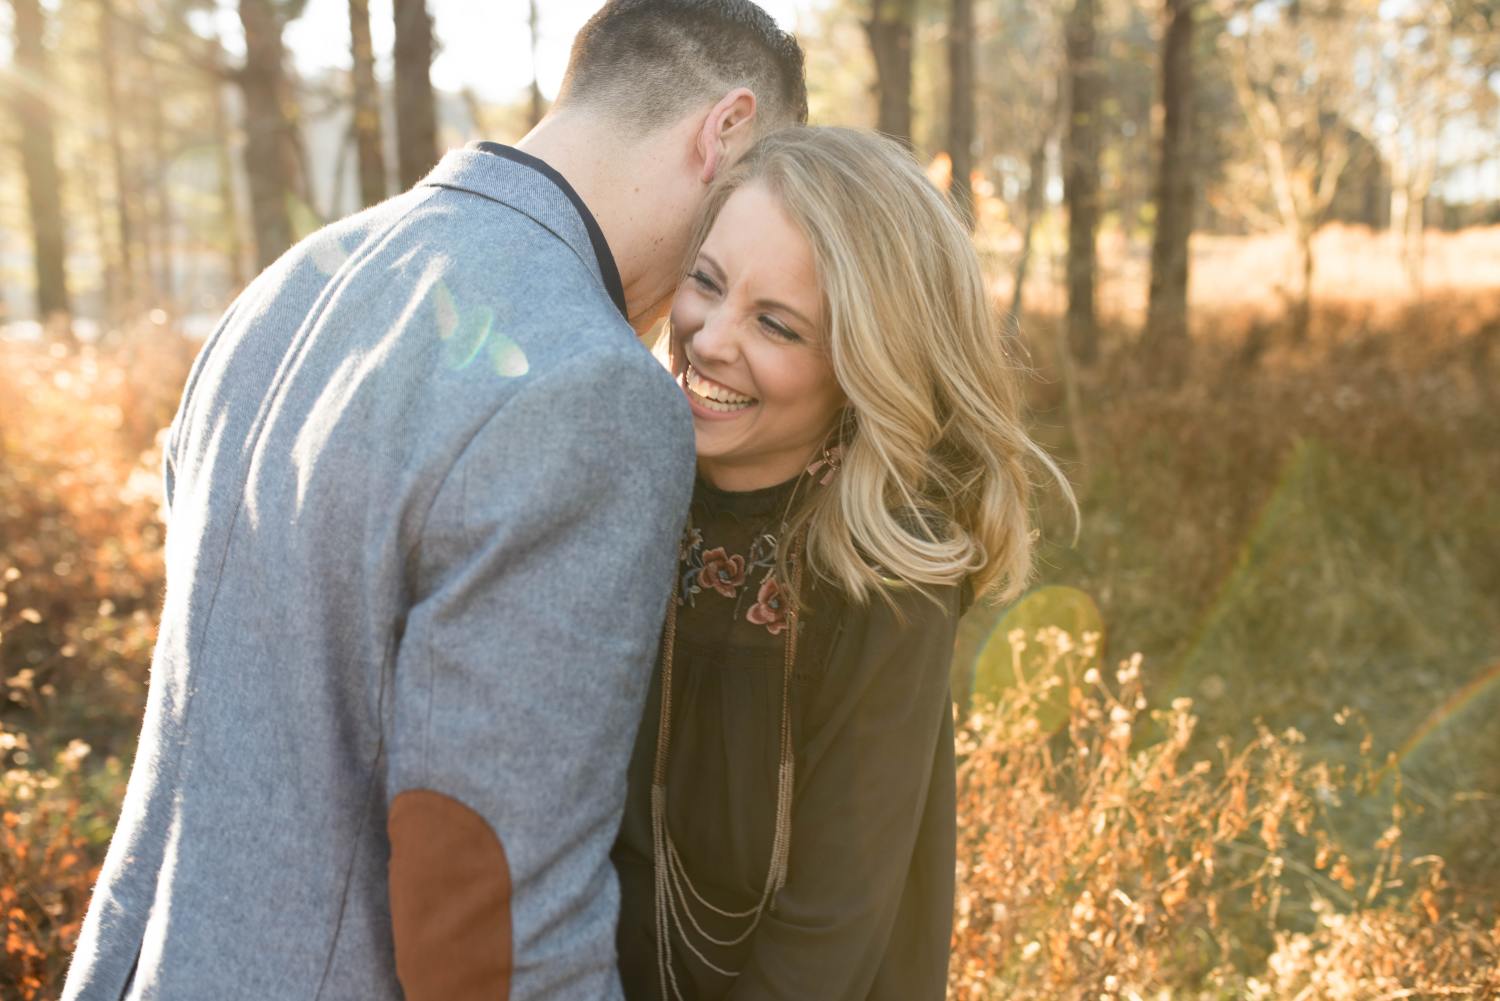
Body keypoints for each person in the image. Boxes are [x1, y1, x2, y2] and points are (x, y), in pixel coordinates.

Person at [60, 4, 806, 1000]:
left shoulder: (287, 285)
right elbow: (495, 912)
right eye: (755, 187)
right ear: (725, 129)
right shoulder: (595, 389)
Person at [612, 126, 1075, 1000]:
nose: (709, 339)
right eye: (706, 282)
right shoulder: (625, 492)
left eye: (777, 324)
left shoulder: (889, 574)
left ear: (864, 364)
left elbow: (828, 935)